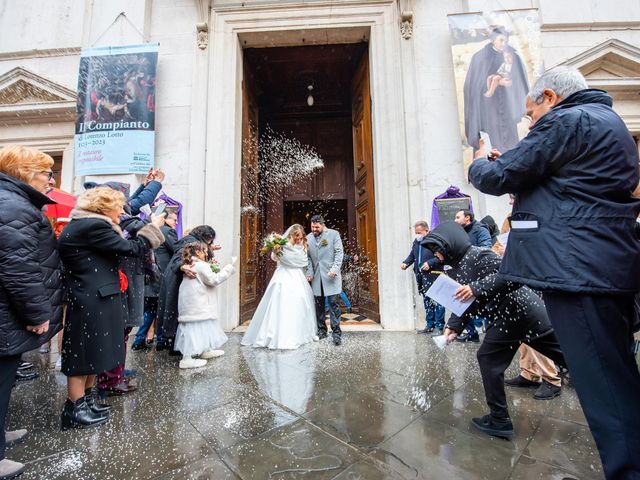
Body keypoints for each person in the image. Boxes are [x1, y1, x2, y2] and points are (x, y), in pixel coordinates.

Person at [468, 66, 640, 479]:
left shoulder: (567, 118)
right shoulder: (606, 121)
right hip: (600, 263)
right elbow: (561, 181)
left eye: (531, 115)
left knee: (603, 387)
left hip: (578, 267)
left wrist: (478, 163)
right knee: (616, 378)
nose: (530, 123)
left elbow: (500, 176)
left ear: (549, 96)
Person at [422, 222, 567, 440]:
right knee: (569, 356)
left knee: (489, 358)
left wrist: (475, 288)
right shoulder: (459, 265)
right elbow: (467, 300)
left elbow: (512, 276)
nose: (436, 255)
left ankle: (500, 420)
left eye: (437, 250)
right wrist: (454, 326)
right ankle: (606, 390)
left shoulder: (480, 255)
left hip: (517, 314)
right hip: (517, 318)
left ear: (449, 245)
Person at [58, 187, 165, 430]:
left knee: (96, 349)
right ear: (103, 208)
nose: (121, 212)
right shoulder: (92, 226)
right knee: (84, 352)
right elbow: (132, 249)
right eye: (118, 207)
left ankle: (87, 400)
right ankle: (74, 407)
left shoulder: (89, 225)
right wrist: (153, 227)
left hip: (99, 295)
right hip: (90, 297)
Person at [0, 145, 64, 480]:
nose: (51, 181)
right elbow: (20, 270)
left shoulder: (13, 202)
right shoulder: (14, 206)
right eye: (45, 174)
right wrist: (38, 314)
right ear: (25, 173)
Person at [242, 225, 318, 349]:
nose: (299, 240)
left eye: (300, 238)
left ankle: (299, 334)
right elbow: (275, 258)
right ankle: (276, 335)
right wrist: (276, 251)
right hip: (283, 277)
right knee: (280, 303)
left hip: (297, 277)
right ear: (291, 235)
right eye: (296, 238)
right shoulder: (281, 243)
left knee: (299, 303)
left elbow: (303, 261)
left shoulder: (302, 245)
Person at [463, 25, 529, 154]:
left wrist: (508, 84)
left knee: (510, 144)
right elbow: (472, 87)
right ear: (493, 40)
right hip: (488, 110)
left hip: (507, 108)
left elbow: (519, 82)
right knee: (490, 144)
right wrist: (494, 82)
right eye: (501, 40)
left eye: (506, 41)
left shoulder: (513, 56)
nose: (504, 44)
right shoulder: (480, 58)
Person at [156, 225, 219, 352]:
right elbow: (179, 259)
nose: (209, 244)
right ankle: (180, 349)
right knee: (181, 315)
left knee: (176, 314)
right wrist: (181, 266)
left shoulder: (190, 239)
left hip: (174, 279)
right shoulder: (190, 242)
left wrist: (210, 249)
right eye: (209, 241)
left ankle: (172, 344)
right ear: (205, 238)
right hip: (177, 281)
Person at [175, 241, 235, 368]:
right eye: (205, 250)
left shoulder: (190, 263)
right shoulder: (201, 265)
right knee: (194, 327)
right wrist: (228, 269)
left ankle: (205, 350)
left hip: (192, 302)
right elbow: (214, 280)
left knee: (201, 325)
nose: (207, 253)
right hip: (197, 302)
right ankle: (186, 358)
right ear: (198, 252)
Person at [132, 210, 178, 350]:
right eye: (174, 220)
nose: (176, 223)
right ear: (164, 219)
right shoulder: (167, 231)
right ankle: (162, 340)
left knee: (150, 310)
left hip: (150, 277)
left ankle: (139, 340)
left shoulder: (148, 229)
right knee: (161, 309)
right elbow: (175, 249)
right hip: (161, 277)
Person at [306, 216, 345, 345]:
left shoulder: (334, 234)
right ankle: (322, 330)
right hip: (317, 277)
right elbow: (308, 258)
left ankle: (336, 333)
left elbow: (339, 253)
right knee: (319, 306)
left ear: (323, 225)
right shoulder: (308, 238)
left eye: (316, 227)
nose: (314, 229)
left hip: (331, 276)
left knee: (334, 305)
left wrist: (334, 269)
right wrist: (310, 272)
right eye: (312, 227)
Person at [401, 221, 445, 334]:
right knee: (427, 301)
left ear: (426, 230)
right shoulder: (417, 241)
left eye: (419, 232)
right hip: (421, 276)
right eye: (416, 232)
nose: (417, 235)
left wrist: (430, 263)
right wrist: (406, 263)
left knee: (438, 301)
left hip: (434, 275)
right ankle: (429, 325)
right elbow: (412, 255)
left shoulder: (435, 240)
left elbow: (442, 257)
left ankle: (439, 327)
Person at [454, 209, 491, 342]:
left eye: (458, 217)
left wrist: (469, 255)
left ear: (467, 218)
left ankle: (489, 335)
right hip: (465, 273)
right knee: (463, 302)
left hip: (480, 274)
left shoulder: (481, 230)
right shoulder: (460, 232)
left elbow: (486, 247)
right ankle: (471, 334)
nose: (455, 220)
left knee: (486, 304)